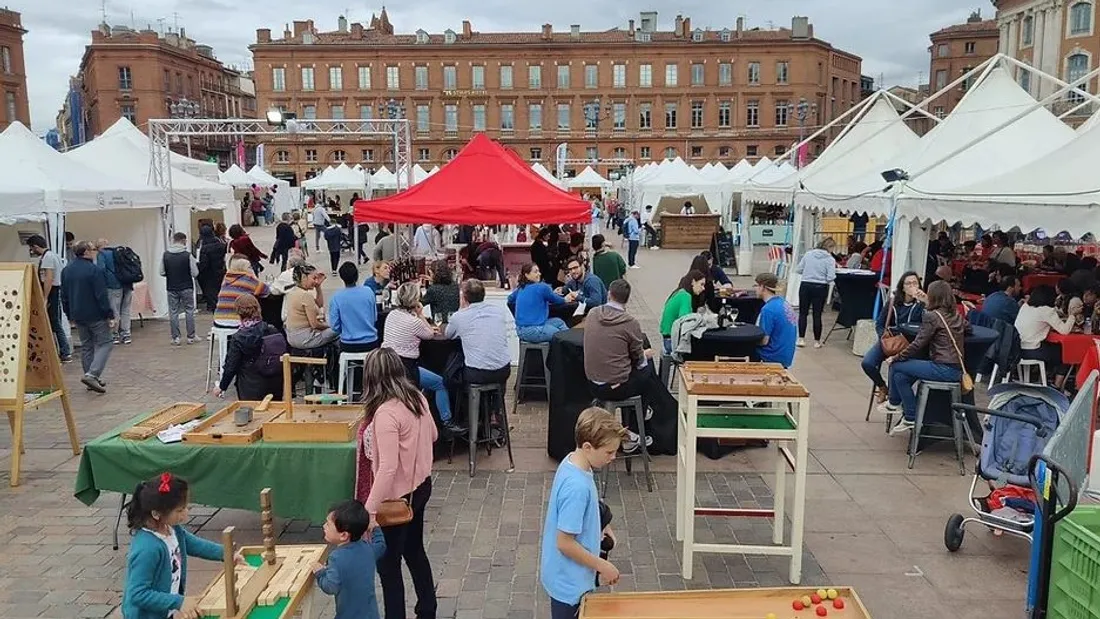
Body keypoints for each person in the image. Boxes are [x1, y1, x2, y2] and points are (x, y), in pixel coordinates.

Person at [361, 348, 439, 619]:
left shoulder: (386, 413)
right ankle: (427, 608)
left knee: (388, 565)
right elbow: (433, 435)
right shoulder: (417, 397)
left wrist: (369, 511)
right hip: (421, 487)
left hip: (396, 499)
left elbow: (387, 468)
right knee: (415, 551)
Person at [540, 407, 624, 619]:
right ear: (588, 447)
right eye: (608, 452)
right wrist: (602, 565)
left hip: (567, 576)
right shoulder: (577, 488)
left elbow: (589, 505)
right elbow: (564, 543)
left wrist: (603, 523)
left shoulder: (574, 461)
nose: (613, 457)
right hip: (569, 584)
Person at [121, 473, 237, 619]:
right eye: (180, 510)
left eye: (186, 507)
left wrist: (225, 553)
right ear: (156, 514)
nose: (186, 513)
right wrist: (179, 602)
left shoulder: (172, 528)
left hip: (164, 611)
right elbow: (138, 594)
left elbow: (192, 543)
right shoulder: (147, 549)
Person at [584, 279, 677, 454]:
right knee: (647, 369)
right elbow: (638, 360)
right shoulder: (630, 322)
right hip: (615, 387)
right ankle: (635, 425)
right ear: (627, 300)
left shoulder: (593, 313)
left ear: (609, 294)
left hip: (591, 382)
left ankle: (639, 416)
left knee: (638, 372)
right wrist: (644, 354)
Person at [879, 280, 967, 436]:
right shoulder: (956, 315)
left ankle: (894, 403)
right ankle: (910, 417)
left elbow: (918, 343)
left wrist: (896, 357)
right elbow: (969, 328)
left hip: (942, 368)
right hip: (956, 368)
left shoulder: (932, 316)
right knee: (900, 376)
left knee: (896, 366)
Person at [382, 283, 459, 433]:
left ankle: (425, 408)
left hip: (387, 364)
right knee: (440, 383)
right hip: (405, 368)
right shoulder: (414, 322)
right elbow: (429, 334)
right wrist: (421, 314)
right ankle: (447, 422)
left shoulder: (392, 315)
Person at [311, 500, 387, 619]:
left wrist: (320, 572)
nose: (324, 526)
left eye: (328, 524)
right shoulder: (367, 549)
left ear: (344, 535)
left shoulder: (336, 558)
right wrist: (376, 528)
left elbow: (331, 586)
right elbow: (381, 545)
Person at [862, 272, 926, 403]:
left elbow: (928, 325)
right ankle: (882, 387)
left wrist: (926, 302)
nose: (912, 286)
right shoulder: (893, 302)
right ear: (903, 287)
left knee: (895, 368)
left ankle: (894, 398)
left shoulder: (922, 305)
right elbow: (880, 324)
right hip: (891, 339)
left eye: (915, 283)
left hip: (910, 343)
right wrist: (884, 337)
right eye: (908, 283)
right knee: (867, 363)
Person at [61, 240, 115, 393]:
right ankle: (92, 374)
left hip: (78, 313)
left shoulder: (67, 270)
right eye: (93, 249)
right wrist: (109, 314)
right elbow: (101, 295)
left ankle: (90, 377)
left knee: (87, 345)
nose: (95, 252)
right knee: (106, 342)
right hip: (95, 313)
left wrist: (68, 313)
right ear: (86, 252)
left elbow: (64, 295)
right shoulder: (94, 270)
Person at [213, 294, 284, 400]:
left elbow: (231, 366)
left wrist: (222, 387)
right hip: (275, 386)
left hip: (250, 388)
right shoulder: (272, 330)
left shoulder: (238, 338)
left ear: (238, 312)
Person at [445, 279, 512, 385]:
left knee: (455, 357)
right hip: (504, 370)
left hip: (477, 373)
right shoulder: (498, 311)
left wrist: (461, 308)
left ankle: (459, 394)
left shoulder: (459, 316)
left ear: (464, 297)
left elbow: (448, 335)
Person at [1015, 284, 1076, 388]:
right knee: (1066, 352)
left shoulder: (1025, 307)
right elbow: (1065, 330)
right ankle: (1057, 385)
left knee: (1052, 349)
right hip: (1032, 350)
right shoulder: (1046, 310)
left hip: (1018, 348)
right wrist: (1072, 315)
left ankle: (1048, 376)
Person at [27, 235, 72, 362]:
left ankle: (65, 352)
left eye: (32, 248)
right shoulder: (51, 255)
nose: (32, 251)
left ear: (36, 246)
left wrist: (45, 297)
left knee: (55, 322)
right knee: (53, 322)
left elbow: (49, 278)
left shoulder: (48, 257)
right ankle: (60, 351)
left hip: (53, 291)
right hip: (54, 290)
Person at [508, 263, 575, 343]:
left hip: (520, 330)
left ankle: (570, 344)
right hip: (532, 330)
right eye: (535, 272)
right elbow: (556, 299)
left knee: (559, 322)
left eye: (538, 271)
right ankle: (571, 346)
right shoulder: (542, 287)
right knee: (559, 335)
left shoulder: (520, 288)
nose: (539, 274)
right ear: (527, 275)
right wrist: (566, 299)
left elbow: (510, 299)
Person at [795, 237, 837, 349]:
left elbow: (798, 269)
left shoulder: (808, 254)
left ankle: (801, 339)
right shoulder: (830, 259)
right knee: (817, 314)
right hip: (820, 287)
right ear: (830, 247)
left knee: (803, 313)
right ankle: (817, 341)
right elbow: (830, 277)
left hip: (805, 284)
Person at [285, 263, 338, 351]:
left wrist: (318, 286)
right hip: (305, 338)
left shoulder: (293, 291)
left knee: (332, 320)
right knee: (340, 327)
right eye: (314, 278)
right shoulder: (305, 295)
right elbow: (315, 324)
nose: (316, 281)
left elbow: (319, 304)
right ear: (304, 277)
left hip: (292, 337)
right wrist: (330, 326)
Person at [329, 262, 380, 353]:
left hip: (348, 345)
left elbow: (335, 326)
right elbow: (374, 317)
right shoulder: (368, 292)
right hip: (370, 342)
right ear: (357, 276)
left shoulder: (336, 297)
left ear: (342, 278)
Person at [161, 232, 199, 346]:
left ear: (174, 240)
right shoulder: (188, 255)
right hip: (186, 286)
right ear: (183, 240)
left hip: (171, 287)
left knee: (173, 312)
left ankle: (176, 337)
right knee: (189, 310)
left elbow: (161, 272)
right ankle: (191, 336)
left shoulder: (166, 255)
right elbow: (195, 273)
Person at [754, 273, 798, 368]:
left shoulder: (768, 309)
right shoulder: (784, 303)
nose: (755, 289)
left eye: (756, 286)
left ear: (763, 287)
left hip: (771, 356)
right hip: (785, 355)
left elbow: (764, 341)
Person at [214, 257, 271, 328]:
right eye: (249, 267)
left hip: (218, 321)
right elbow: (266, 291)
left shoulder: (226, 278)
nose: (252, 268)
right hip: (237, 323)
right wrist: (254, 276)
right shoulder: (249, 279)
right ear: (244, 268)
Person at [95, 239, 134, 345]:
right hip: (127, 284)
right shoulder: (120, 251)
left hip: (113, 285)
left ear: (99, 247)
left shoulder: (102, 254)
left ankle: (114, 335)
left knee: (114, 310)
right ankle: (126, 334)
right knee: (126, 310)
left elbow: (101, 270)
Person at [659, 270, 705, 354]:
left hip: (667, 338)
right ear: (693, 282)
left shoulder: (679, 292)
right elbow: (685, 322)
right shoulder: (685, 296)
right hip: (672, 341)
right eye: (701, 284)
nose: (703, 288)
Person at [196, 225, 227, 313]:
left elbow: (204, 263)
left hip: (208, 274)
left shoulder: (204, 248)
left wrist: (198, 269)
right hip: (220, 271)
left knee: (210, 292)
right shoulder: (221, 245)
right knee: (219, 290)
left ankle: (214, 308)